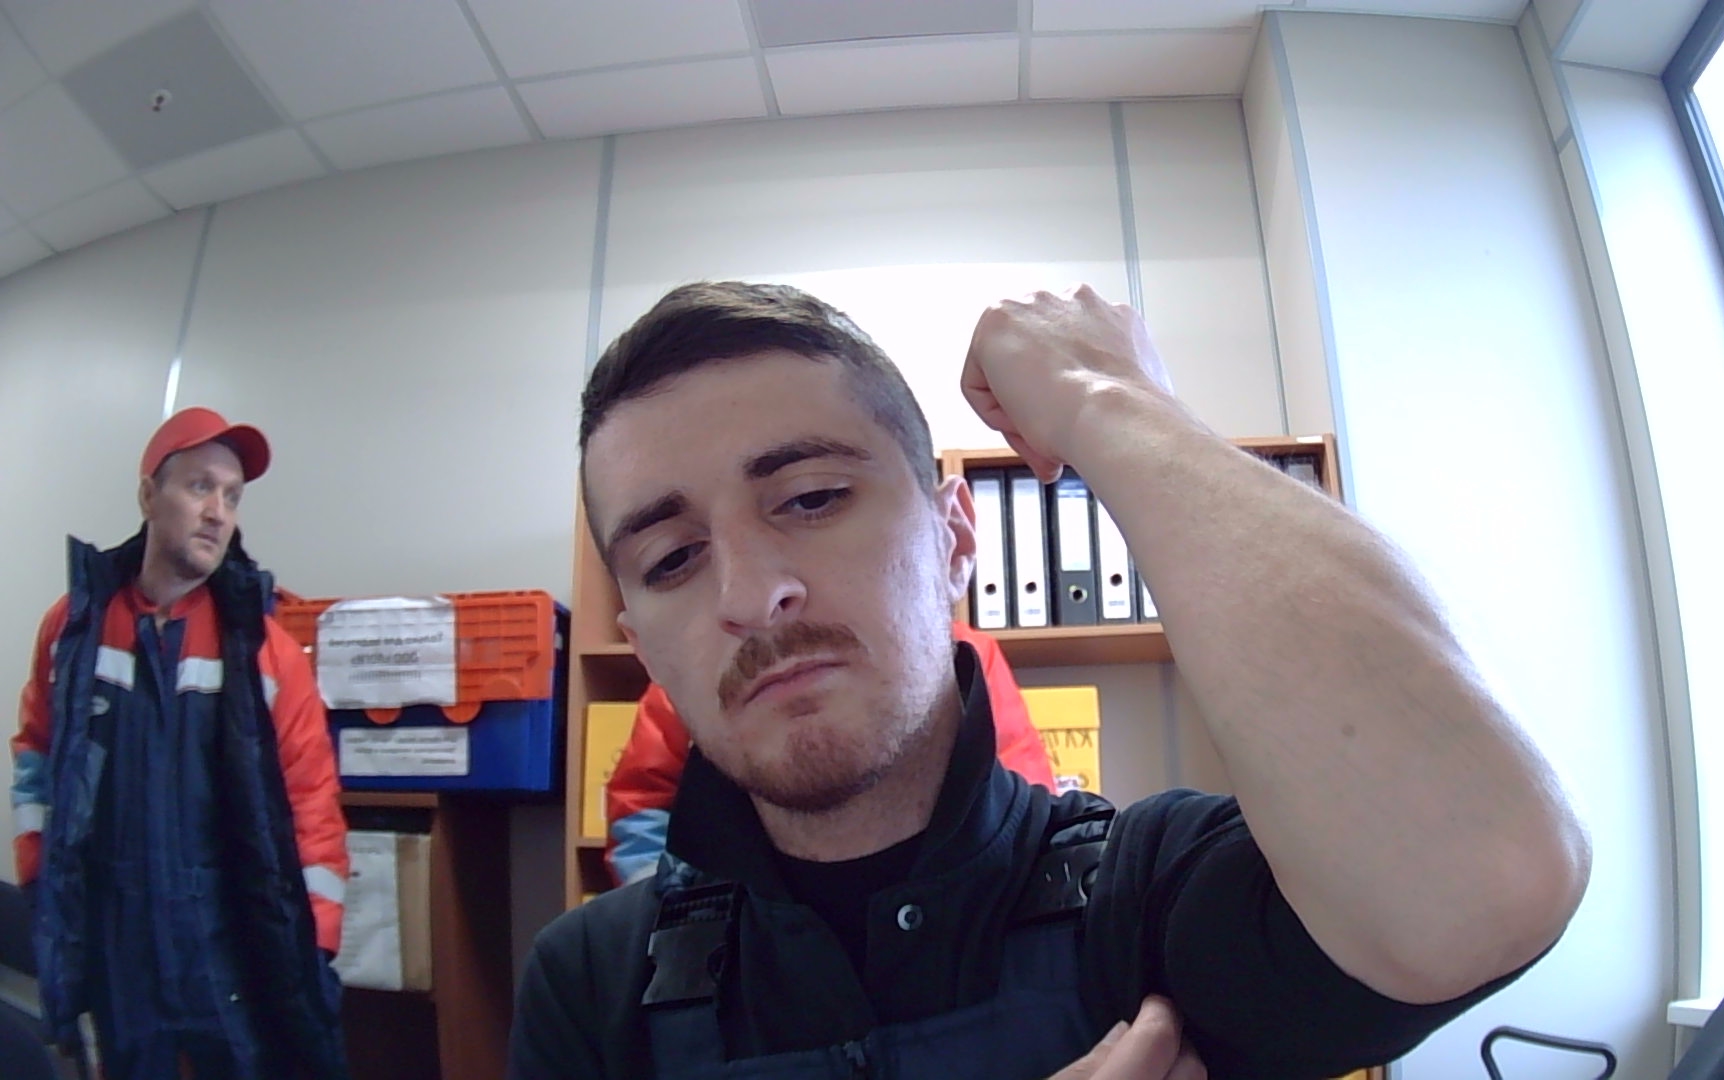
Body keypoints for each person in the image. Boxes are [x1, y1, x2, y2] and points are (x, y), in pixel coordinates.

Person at [510, 282, 1591, 1079]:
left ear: (955, 538)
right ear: (642, 646)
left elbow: (1485, 876)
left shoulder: (1148, 899)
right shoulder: (591, 981)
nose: (751, 593)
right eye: (672, 559)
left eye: (811, 498)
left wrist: (1103, 396)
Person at [10, 408, 350, 1080]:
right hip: (113, 935)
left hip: (229, 936)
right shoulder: (75, 626)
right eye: (199, 487)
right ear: (148, 496)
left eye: (232, 496)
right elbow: (37, 759)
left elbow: (311, 801)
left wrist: (313, 941)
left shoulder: (264, 649)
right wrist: (43, 881)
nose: (218, 513)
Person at [604, 621, 1058, 886]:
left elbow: (1019, 794)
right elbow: (640, 808)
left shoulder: (964, 655)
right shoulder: (697, 681)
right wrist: (674, 914)